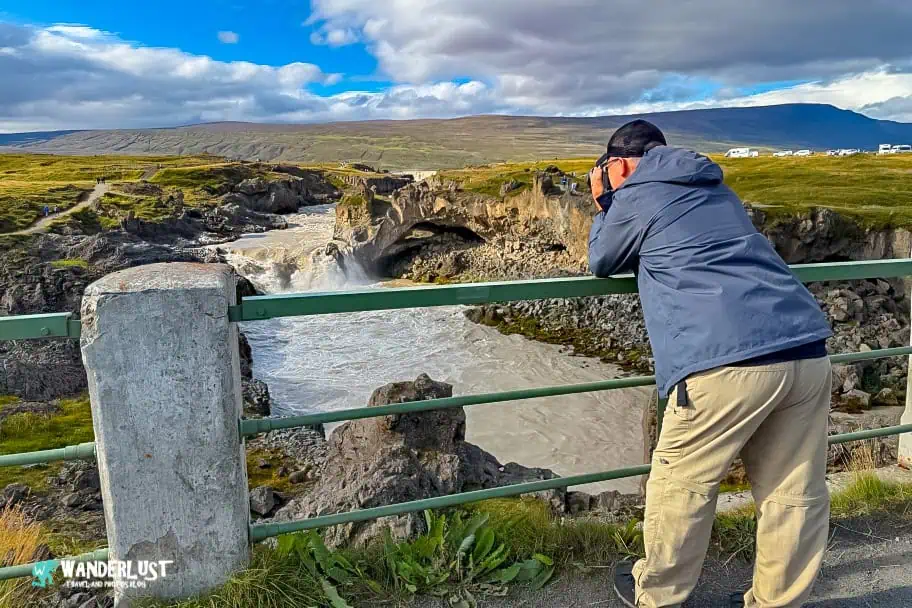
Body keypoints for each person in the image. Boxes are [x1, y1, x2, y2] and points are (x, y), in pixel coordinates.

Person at [587, 120, 832, 608]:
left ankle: (656, 595)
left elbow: (601, 258)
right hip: (803, 347)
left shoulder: (636, 193)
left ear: (617, 165)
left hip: (726, 361)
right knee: (792, 488)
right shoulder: (716, 187)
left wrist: (604, 202)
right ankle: (778, 601)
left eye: (609, 170)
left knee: (682, 483)